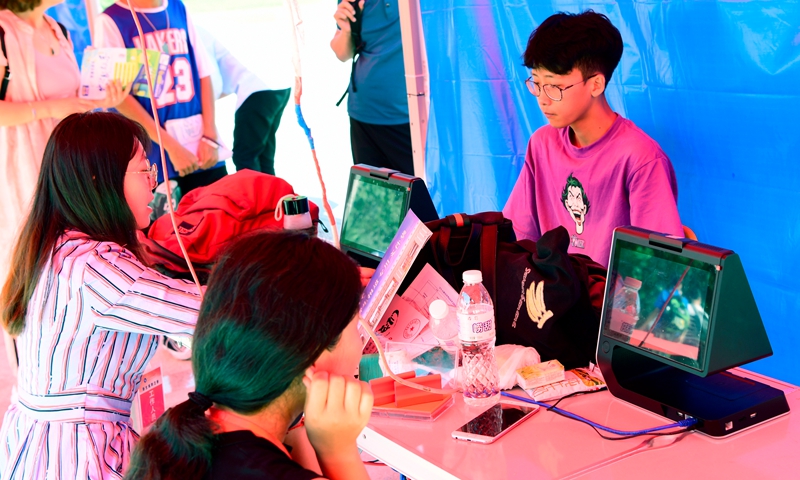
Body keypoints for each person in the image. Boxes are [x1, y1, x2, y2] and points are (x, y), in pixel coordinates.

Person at [0, 112, 203, 479]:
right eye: (144, 170)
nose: (154, 183)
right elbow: (209, 313)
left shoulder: (58, 246)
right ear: (101, 179)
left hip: (38, 445)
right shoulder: (95, 266)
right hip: (78, 454)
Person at [125, 230, 373, 480]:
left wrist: (299, 417)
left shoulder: (183, 438)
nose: (361, 339)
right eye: (354, 325)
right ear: (313, 354)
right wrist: (338, 452)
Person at [502, 10, 683, 267]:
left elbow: (658, 265)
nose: (542, 99)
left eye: (554, 86)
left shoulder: (640, 159)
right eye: (537, 83)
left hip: (610, 292)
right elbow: (518, 236)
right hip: (551, 288)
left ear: (596, 84)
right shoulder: (541, 144)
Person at [0, 0, 126, 304]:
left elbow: (71, 99)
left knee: (73, 250)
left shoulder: (59, 29)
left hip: (70, 165)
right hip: (25, 168)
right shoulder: (3, 32)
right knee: (31, 259)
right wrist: (51, 108)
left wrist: (102, 98)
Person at [94, 0, 227, 196]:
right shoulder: (111, 20)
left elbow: (203, 73)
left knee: (221, 208)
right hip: (154, 153)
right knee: (167, 214)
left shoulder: (177, 7)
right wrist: (172, 147)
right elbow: (119, 97)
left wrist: (210, 136)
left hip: (201, 146)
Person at [331, 0, 414, 176]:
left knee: (420, 190)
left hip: (411, 114)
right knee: (373, 191)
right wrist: (346, 30)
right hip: (364, 113)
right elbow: (343, 53)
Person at [196, 25, 291, 176]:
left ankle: (255, 192)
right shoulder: (201, 28)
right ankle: (270, 192)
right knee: (263, 157)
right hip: (279, 83)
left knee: (245, 157)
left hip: (257, 87)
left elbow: (213, 80)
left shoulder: (194, 32)